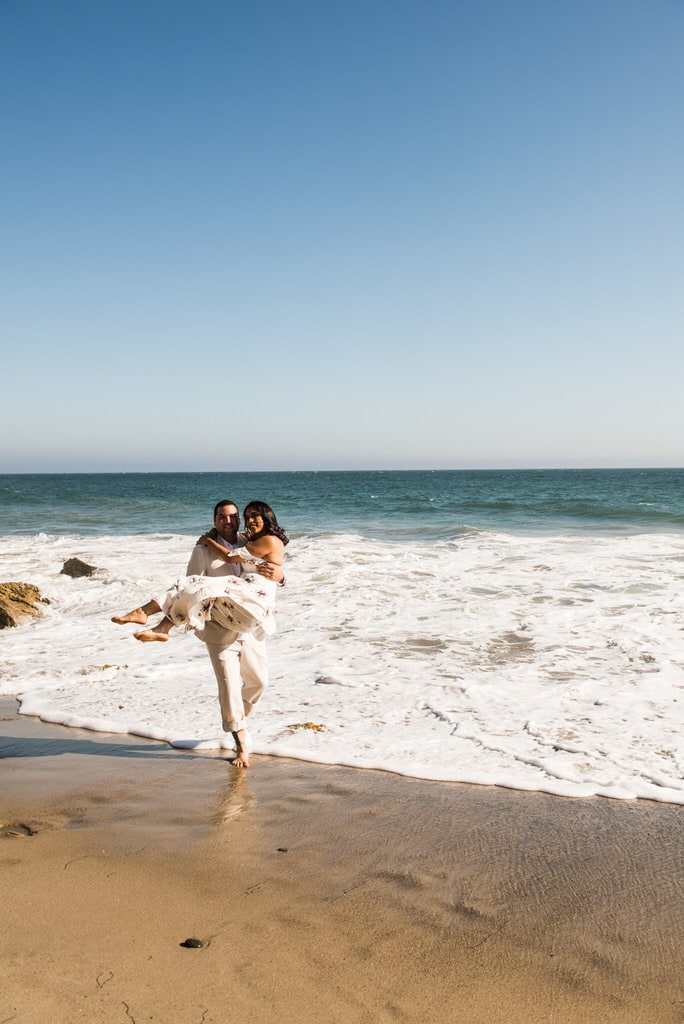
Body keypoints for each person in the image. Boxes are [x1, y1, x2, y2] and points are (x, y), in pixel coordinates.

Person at [112, 501, 287, 769]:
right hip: (219, 629)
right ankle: (240, 743)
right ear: (215, 520)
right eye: (222, 517)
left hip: (249, 628)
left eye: (233, 517)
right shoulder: (203, 549)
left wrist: (282, 575)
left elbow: (271, 565)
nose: (228, 522)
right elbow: (190, 587)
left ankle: (240, 719)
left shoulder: (249, 539)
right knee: (228, 688)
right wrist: (193, 622)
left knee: (258, 683)